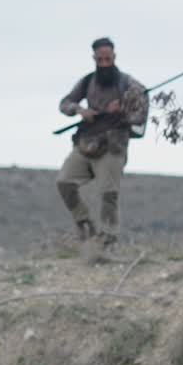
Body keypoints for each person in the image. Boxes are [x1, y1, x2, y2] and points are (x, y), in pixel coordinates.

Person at [56, 37, 148, 244]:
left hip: (113, 146)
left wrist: (122, 109)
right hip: (86, 143)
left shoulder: (129, 84)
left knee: (109, 193)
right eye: (100, 60)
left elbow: (140, 115)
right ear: (94, 59)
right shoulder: (88, 81)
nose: (104, 64)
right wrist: (80, 110)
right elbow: (64, 103)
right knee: (64, 182)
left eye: (108, 59)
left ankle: (108, 238)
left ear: (114, 57)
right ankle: (85, 225)